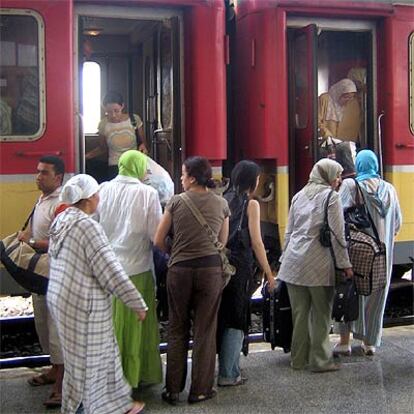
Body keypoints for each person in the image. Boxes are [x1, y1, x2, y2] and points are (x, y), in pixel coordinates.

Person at [47, 174, 147, 414]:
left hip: (61, 298)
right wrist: (137, 303)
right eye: (97, 195)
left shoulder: (61, 220)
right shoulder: (87, 226)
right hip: (84, 304)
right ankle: (81, 408)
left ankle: (118, 404)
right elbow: (109, 269)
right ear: (90, 198)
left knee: (96, 356)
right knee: (88, 362)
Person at [154, 156, 230, 405]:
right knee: (205, 330)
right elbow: (222, 242)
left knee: (177, 328)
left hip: (180, 271)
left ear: (193, 178)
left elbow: (158, 240)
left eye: (184, 174)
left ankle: (172, 390)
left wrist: (174, 253)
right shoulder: (221, 204)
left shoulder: (176, 202)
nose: (181, 178)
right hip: (210, 271)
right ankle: (200, 390)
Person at [97, 150, 163, 396]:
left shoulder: (103, 189)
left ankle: (110, 378)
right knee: (137, 326)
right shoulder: (147, 193)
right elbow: (155, 235)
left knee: (111, 325)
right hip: (138, 269)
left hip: (108, 270)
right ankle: (135, 376)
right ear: (138, 167)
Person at [277, 158, 353, 372]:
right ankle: (320, 360)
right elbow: (338, 235)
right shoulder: (331, 197)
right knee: (322, 313)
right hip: (318, 263)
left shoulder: (298, 196)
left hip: (293, 263)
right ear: (327, 176)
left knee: (299, 313)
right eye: (336, 175)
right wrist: (345, 264)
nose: (338, 180)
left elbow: (289, 232)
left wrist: (284, 258)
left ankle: (298, 359)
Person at [335, 150, 402, 355]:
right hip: (383, 253)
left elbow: (337, 213)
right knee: (377, 295)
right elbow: (398, 223)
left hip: (358, 252)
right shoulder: (389, 190)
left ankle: (345, 341)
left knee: (349, 291)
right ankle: (369, 343)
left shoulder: (350, 186)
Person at [217, 160, 276, 386]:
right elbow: (257, 242)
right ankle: (229, 374)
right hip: (240, 265)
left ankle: (225, 367)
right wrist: (268, 273)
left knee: (224, 313)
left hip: (222, 263)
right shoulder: (251, 205)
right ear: (252, 181)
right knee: (237, 315)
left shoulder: (224, 198)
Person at [17, 155, 65, 408]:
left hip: (55, 275)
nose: (38, 176)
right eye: (38, 171)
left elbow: (61, 241)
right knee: (43, 325)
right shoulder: (42, 200)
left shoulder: (61, 204)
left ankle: (61, 384)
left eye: (44, 172)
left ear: (58, 178)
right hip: (41, 275)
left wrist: (32, 242)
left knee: (57, 330)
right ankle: (54, 370)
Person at [85, 92, 147, 180]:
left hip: (133, 164)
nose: (113, 115)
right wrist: (86, 156)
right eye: (109, 112)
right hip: (115, 166)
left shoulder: (134, 119)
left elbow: (144, 143)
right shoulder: (103, 124)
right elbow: (103, 148)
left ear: (122, 106)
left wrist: (143, 146)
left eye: (116, 111)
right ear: (104, 109)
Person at [318, 78, 361, 144]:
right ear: (339, 93)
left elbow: (355, 125)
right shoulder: (325, 99)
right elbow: (317, 121)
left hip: (345, 143)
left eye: (351, 97)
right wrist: (327, 135)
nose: (348, 100)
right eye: (346, 97)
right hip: (326, 141)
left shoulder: (353, 103)